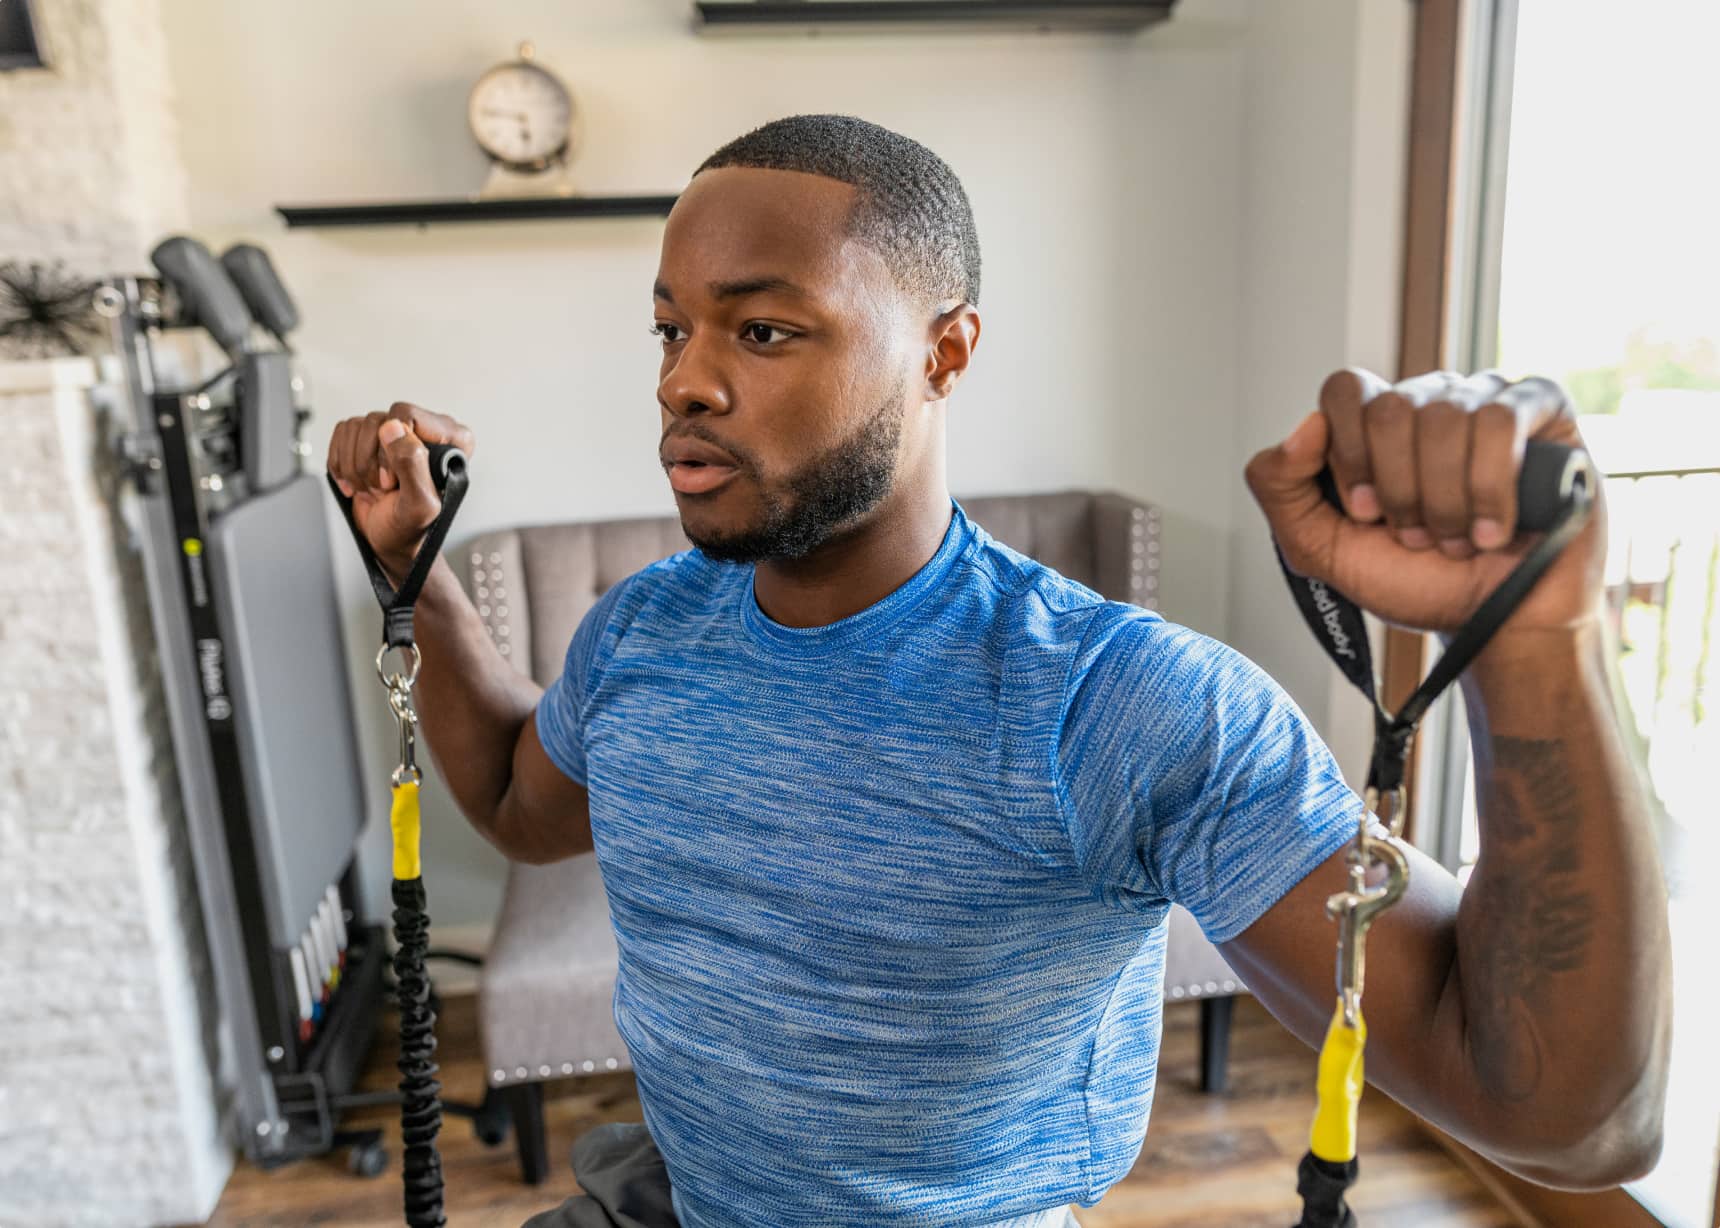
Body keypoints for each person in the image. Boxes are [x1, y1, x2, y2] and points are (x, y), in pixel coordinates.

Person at [326, 115, 1671, 1228]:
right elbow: (514, 796)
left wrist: (1534, 641)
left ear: (945, 352)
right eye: (671, 330)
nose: (687, 381)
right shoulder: (646, 630)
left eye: (763, 331)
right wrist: (417, 576)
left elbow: (1570, 1116)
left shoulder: (1123, 706)